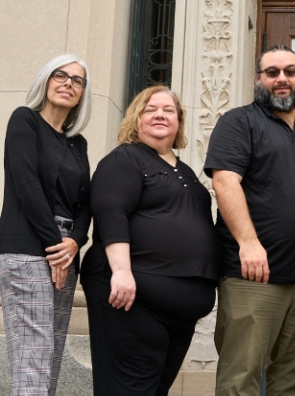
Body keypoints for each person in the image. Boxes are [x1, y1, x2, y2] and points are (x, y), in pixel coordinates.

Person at [204, 45, 295, 396]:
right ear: (258, 79)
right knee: (241, 378)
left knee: (294, 382)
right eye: (272, 72)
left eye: (290, 71)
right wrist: (249, 243)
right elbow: (225, 181)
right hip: (253, 274)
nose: (282, 79)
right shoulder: (239, 122)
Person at [81, 86, 220, 395]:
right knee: (129, 389)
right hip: (133, 297)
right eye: (150, 109)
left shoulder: (185, 171)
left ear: (179, 121)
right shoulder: (125, 158)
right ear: (136, 119)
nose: (160, 114)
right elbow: (111, 212)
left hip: (182, 308)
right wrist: (121, 271)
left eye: (168, 110)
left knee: (155, 390)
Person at [0, 54, 92, 396]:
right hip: (27, 250)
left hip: (64, 252)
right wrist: (56, 250)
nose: (68, 83)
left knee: (49, 359)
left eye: (77, 80)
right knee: (32, 357)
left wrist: (76, 242)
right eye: (60, 76)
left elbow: (86, 201)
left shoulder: (78, 144)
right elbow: (27, 185)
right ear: (46, 81)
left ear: (82, 93)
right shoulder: (24, 121)